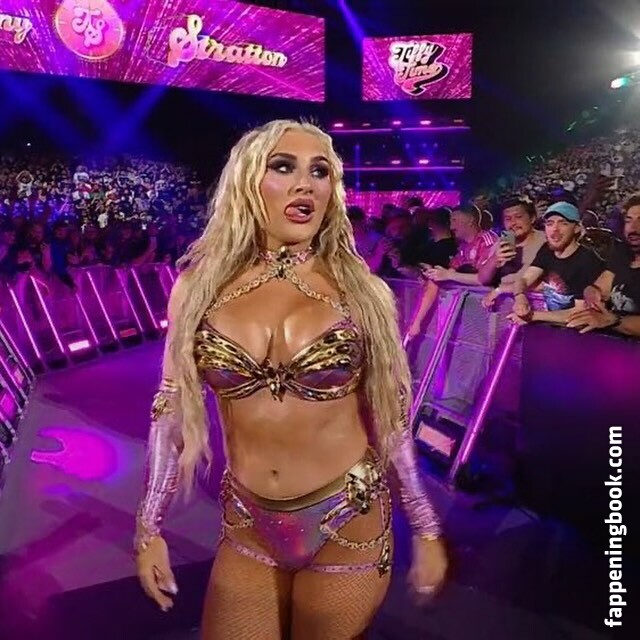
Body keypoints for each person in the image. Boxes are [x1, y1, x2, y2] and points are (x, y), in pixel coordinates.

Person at [134, 120, 447, 639]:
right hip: (248, 524)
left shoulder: (362, 292)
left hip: (348, 520)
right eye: (284, 167)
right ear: (248, 181)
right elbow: (170, 408)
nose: (306, 184)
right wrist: (148, 526)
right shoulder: (197, 288)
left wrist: (426, 526)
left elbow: (391, 417)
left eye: (320, 172)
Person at [511, 202, 605, 325]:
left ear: (576, 228)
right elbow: (524, 279)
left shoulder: (586, 261)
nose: (555, 229)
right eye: (550, 223)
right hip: (553, 326)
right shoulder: (547, 250)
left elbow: (581, 314)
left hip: (581, 331)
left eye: (563, 223)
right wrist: (520, 297)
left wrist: (532, 316)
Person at [567, 193, 640, 337]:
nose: (633, 228)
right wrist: (591, 292)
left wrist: (614, 321)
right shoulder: (622, 254)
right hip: (610, 343)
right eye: (628, 220)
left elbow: (610, 320)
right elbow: (601, 287)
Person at [480, 198, 546, 309]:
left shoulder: (546, 242)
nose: (513, 223)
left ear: (532, 218)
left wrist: (504, 289)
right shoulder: (501, 243)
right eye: (508, 219)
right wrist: (494, 259)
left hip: (535, 306)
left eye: (518, 217)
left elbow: (551, 284)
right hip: (501, 305)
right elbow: (483, 279)